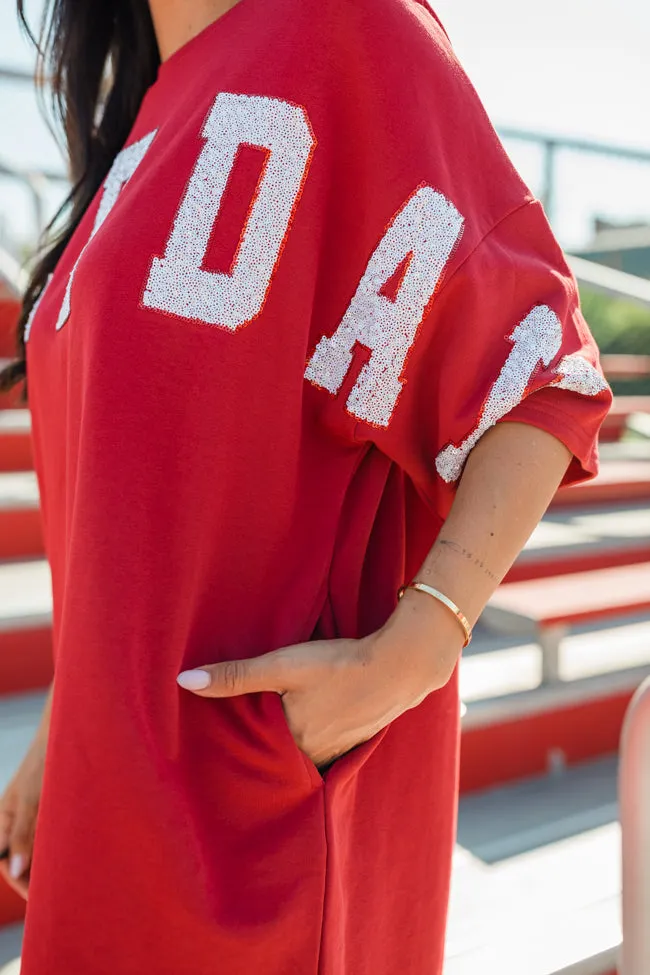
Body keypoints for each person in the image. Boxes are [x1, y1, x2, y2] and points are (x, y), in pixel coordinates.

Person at [0, 0, 612, 971]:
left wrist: (415, 649)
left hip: (252, 846)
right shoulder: (140, 118)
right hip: (103, 812)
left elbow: (537, 371)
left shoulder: (343, 27)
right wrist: (67, 725)